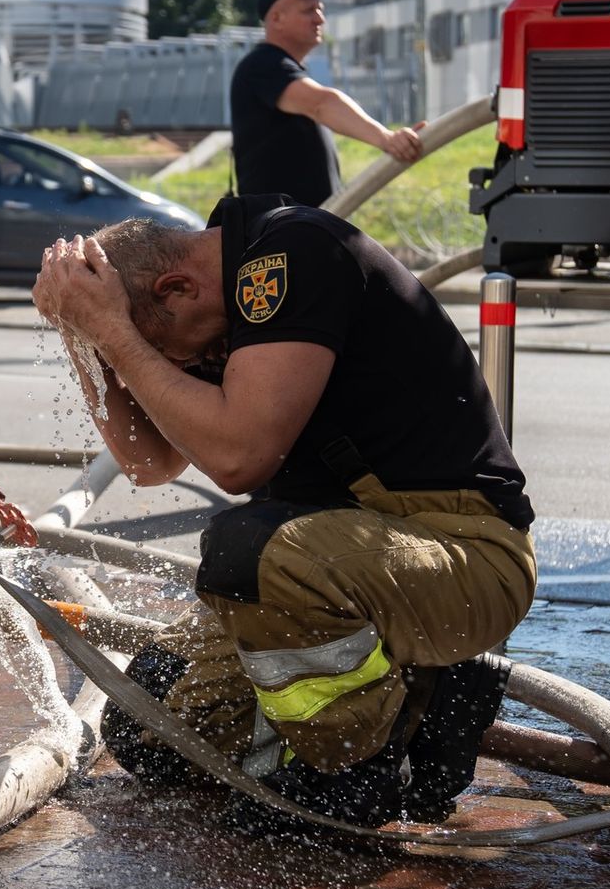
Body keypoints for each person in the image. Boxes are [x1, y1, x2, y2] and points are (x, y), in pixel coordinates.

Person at [31, 194, 536, 830]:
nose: (175, 369)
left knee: (247, 552)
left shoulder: (291, 256)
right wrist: (81, 331)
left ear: (178, 287)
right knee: (146, 729)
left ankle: (357, 767)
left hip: (461, 553)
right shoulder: (215, 299)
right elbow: (147, 461)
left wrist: (114, 332)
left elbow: (239, 458)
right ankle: (413, 694)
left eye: (167, 352)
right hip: (349, 556)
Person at [233, 0, 426, 211]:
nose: (320, 19)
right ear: (276, 19)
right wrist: (387, 139)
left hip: (300, 230)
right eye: (308, 10)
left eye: (320, 9)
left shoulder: (277, 67)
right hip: (283, 235)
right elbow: (322, 104)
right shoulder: (263, 65)